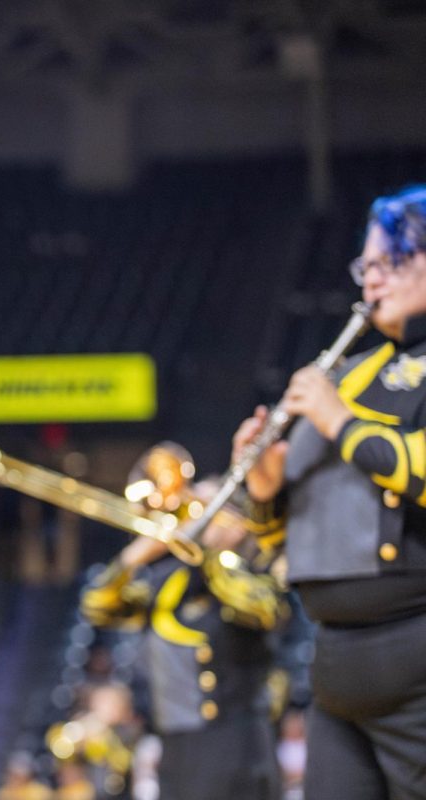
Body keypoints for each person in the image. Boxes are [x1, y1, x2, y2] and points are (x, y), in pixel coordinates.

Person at [234, 184, 426, 800]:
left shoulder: (334, 395)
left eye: (391, 262)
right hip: (338, 666)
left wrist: (335, 418)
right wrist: (264, 490)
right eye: (365, 265)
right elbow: (292, 539)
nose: (372, 280)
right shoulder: (349, 372)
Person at [81, 445, 288, 800]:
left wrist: (211, 550)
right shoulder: (165, 581)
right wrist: (135, 554)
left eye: (207, 511)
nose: (194, 519)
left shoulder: (252, 567)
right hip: (175, 746)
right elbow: (98, 606)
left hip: (234, 743)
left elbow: (265, 609)